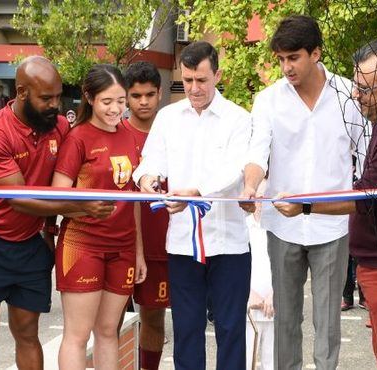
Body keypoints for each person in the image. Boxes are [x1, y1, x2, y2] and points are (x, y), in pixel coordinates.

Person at [272, 39, 377, 369]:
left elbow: (367, 197)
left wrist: (306, 205)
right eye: (355, 86)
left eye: (365, 89)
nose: (356, 95)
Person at [0, 56, 115, 370]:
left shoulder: (57, 126)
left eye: (58, 96)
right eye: (46, 98)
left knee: (27, 332)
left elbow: (64, 174)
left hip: (30, 243)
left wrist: (47, 230)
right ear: (21, 93)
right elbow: (20, 199)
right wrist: (82, 205)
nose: (55, 105)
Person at [241, 15, 367, 370]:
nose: (286, 67)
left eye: (293, 57)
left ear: (316, 53)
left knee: (328, 323)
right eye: (280, 59)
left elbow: (369, 153)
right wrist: (250, 186)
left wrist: (361, 201)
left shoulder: (348, 96)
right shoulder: (268, 100)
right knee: (285, 322)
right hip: (283, 229)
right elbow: (256, 153)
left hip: (332, 226)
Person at [134, 41, 251, 370]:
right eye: (187, 81)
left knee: (230, 329)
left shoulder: (238, 119)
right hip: (183, 243)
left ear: (217, 75)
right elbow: (148, 162)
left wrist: (196, 192)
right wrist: (149, 180)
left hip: (229, 242)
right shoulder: (168, 118)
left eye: (201, 80)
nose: (194, 88)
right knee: (186, 329)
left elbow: (235, 170)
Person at [52, 64, 145, 370]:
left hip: (123, 247)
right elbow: (58, 196)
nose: (116, 108)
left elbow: (133, 199)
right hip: (83, 245)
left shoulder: (129, 136)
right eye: (107, 101)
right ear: (89, 98)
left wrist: (138, 253)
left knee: (108, 332)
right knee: (77, 335)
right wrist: (86, 208)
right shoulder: (78, 138)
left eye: (121, 101)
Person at [122, 61, 169, 370]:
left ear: (160, 94)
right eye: (136, 95)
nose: (143, 102)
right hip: (118, 245)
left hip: (161, 246)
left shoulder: (174, 131)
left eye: (149, 95)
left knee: (153, 317)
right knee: (110, 322)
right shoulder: (114, 133)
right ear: (126, 96)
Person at [245, 182, 274, 370]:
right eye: (258, 197)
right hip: (247, 306)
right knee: (246, 361)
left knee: (271, 362)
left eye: (266, 197)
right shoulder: (243, 226)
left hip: (273, 306)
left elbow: (285, 265)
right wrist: (249, 294)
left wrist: (274, 294)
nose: (261, 202)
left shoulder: (277, 228)